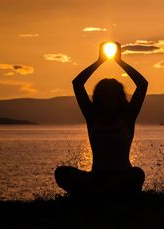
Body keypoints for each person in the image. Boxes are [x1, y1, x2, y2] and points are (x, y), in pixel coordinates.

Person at [55, 42, 148, 197]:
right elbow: (77, 84)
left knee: (137, 174)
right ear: (99, 98)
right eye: (105, 96)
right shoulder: (92, 117)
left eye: (112, 96)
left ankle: (97, 195)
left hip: (121, 176)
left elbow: (142, 84)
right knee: (61, 172)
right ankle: (103, 194)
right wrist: (99, 61)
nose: (109, 100)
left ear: (119, 98)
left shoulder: (127, 118)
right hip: (96, 178)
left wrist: (119, 61)